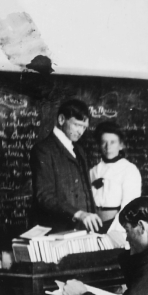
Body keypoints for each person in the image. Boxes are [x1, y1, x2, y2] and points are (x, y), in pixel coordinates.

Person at [30, 98, 102, 232]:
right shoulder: (43, 150)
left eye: (84, 127)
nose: (80, 131)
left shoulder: (79, 150)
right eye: (77, 125)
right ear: (61, 119)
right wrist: (78, 213)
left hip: (83, 229)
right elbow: (44, 195)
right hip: (57, 230)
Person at [89, 121, 142, 233]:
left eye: (112, 142)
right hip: (94, 225)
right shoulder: (93, 171)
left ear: (121, 145)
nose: (108, 147)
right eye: (104, 142)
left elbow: (129, 205)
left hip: (116, 226)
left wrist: (116, 230)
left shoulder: (129, 169)